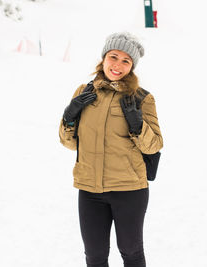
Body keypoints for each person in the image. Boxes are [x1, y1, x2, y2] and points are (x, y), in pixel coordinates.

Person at [59, 32, 163, 267]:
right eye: (113, 57)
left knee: (131, 252)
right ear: (104, 57)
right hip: (89, 189)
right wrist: (70, 116)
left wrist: (138, 125)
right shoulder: (83, 92)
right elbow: (69, 142)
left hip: (129, 190)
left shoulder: (142, 99)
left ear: (132, 66)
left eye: (126, 61)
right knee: (94, 256)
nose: (117, 65)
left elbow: (154, 144)